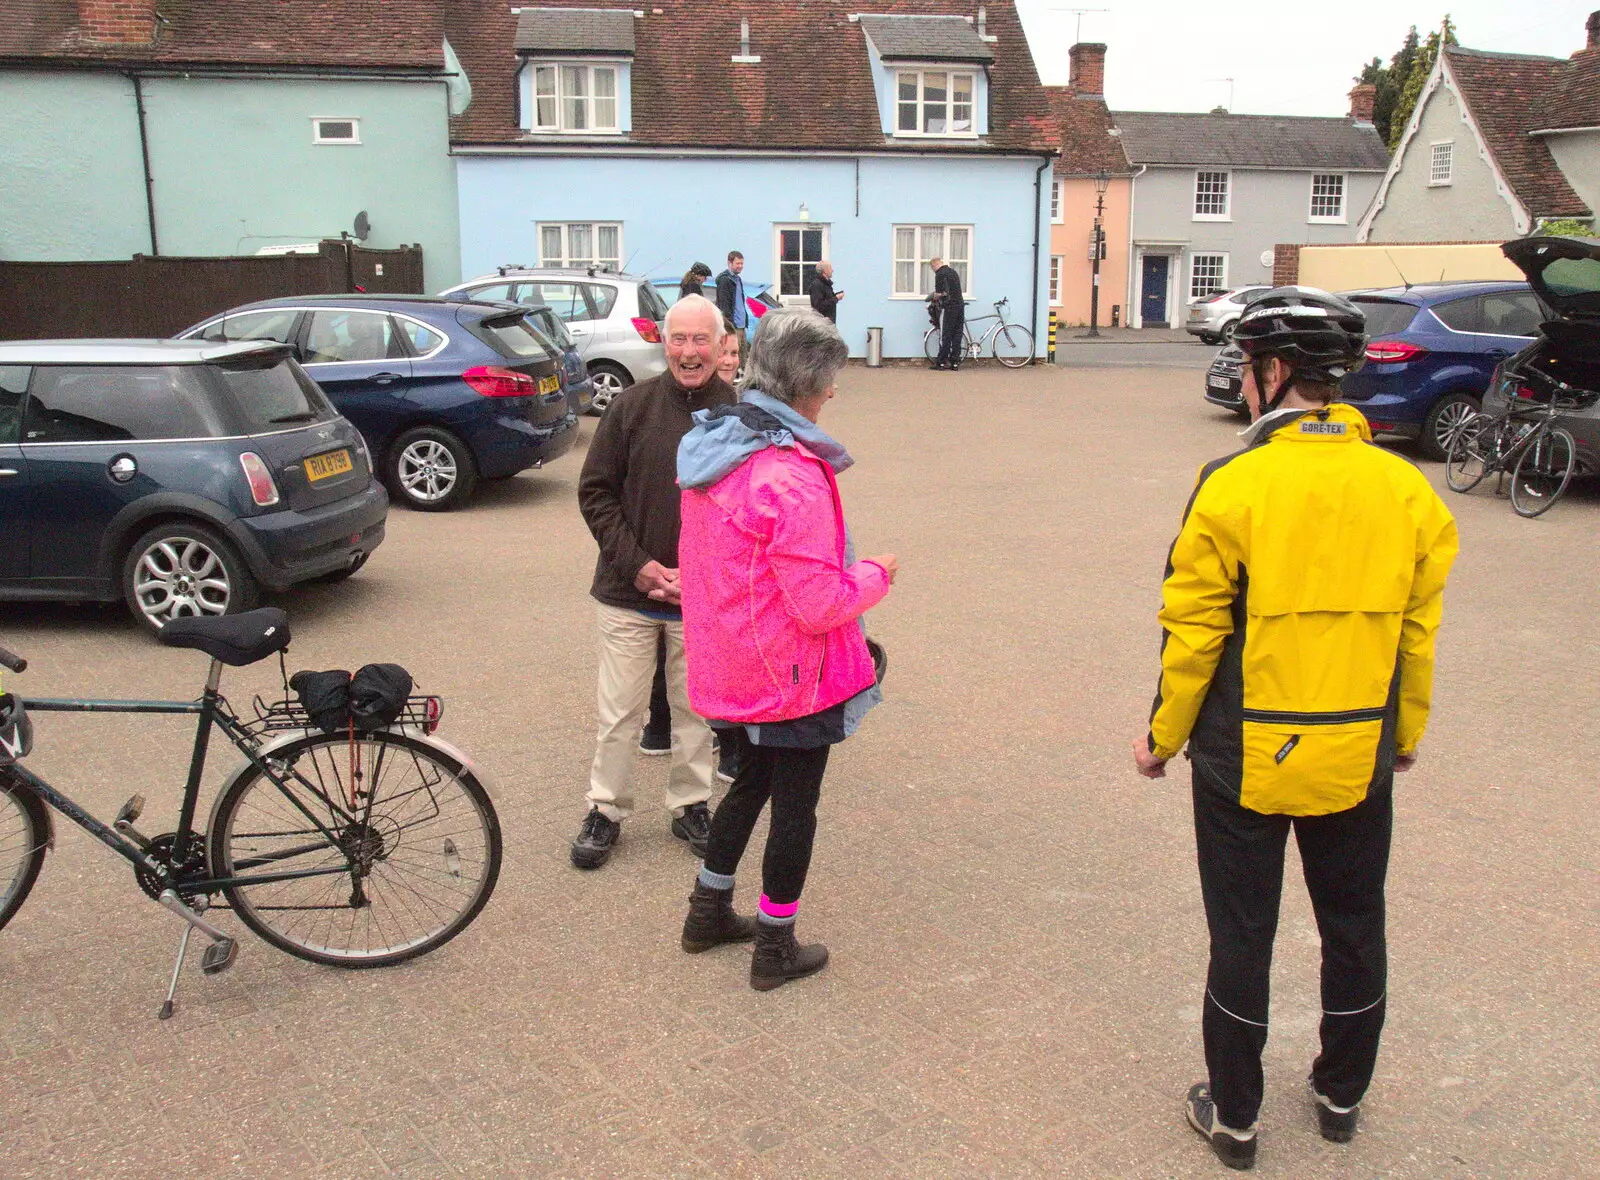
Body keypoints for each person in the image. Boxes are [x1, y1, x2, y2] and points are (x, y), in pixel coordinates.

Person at [1132, 288, 1458, 1170]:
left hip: (1246, 750)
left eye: (1245, 369)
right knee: (1354, 921)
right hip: (1359, 746)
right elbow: (1415, 631)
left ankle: (1235, 1115)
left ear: (1273, 374)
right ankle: (1341, 1095)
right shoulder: (1405, 488)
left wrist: (1162, 737)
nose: (1242, 385)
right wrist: (1406, 733)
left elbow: (1192, 628)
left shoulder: (1233, 482)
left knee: (1244, 930)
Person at [674, 308, 897, 991]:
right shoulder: (788, 475)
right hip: (790, 669)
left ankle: (708, 909)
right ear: (808, 383)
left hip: (735, 658)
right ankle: (775, 944)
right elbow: (820, 603)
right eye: (830, 381)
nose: (833, 393)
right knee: (796, 804)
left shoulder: (720, 444)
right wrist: (879, 573)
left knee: (754, 781)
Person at [572, 293, 737, 870]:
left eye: (700, 340)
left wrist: (703, 574)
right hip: (627, 594)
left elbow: (749, 514)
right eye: (678, 339)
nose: (689, 352)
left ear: (721, 346)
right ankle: (606, 809)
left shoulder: (743, 416)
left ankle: (691, 804)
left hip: (704, 598)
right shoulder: (631, 408)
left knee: (696, 713)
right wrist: (638, 565)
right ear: (663, 342)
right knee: (619, 713)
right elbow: (595, 492)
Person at [929, 256, 964, 371]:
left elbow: (940, 293)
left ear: (934, 265)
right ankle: (955, 362)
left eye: (932, 269)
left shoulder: (940, 274)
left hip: (949, 307)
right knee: (957, 334)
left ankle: (941, 362)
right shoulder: (953, 272)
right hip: (960, 306)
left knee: (946, 334)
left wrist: (932, 298)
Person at [715, 250, 749, 352]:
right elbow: (724, 304)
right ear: (730, 263)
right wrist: (729, 324)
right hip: (733, 326)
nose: (740, 266)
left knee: (743, 356)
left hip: (741, 325)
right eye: (737, 263)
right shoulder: (725, 280)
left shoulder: (738, 279)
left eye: (742, 263)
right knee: (733, 354)